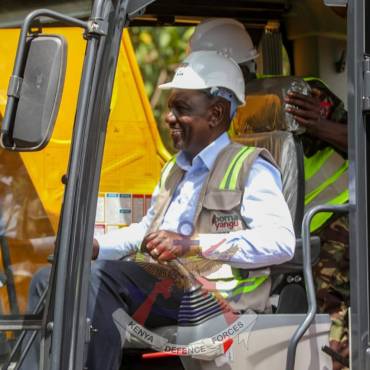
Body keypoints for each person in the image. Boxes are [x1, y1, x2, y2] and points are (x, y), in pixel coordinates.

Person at [24, 50, 295, 370]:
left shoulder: (252, 167)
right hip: (166, 285)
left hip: (216, 296)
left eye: (182, 108)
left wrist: (193, 244)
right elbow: (146, 232)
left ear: (217, 114)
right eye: (170, 109)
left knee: (98, 278)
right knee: (50, 278)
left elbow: (281, 242)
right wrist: (96, 246)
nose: (169, 118)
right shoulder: (175, 169)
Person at [189, 17, 349, 370]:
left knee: (326, 306)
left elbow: (360, 139)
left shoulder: (299, 94)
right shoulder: (226, 112)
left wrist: (319, 126)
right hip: (288, 230)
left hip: (336, 218)